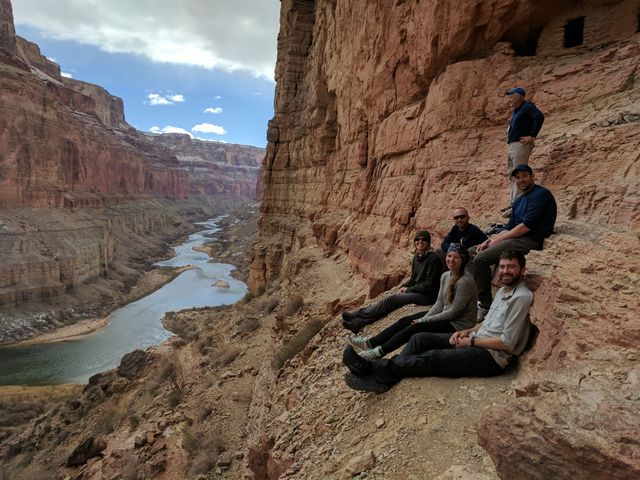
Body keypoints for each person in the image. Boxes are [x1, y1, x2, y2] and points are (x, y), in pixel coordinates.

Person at [342, 251, 532, 393]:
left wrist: (471, 341)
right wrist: (468, 332)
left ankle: (370, 368)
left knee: (433, 357)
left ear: (522, 270)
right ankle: (383, 376)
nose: (505, 271)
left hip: (491, 358)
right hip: (476, 338)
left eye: (511, 267)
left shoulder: (521, 297)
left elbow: (508, 343)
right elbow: (488, 322)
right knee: (420, 339)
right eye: (503, 267)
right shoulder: (501, 291)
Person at [346, 244, 477, 360]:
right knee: (404, 321)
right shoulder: (446, 276)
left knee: (414, 328)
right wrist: (426, 317)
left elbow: (454, 312)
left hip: (457, 325)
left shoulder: (465, 281)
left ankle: (379, 352)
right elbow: (439, 303)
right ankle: (369, 343)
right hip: (445, 317)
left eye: (456, 257)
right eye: (449, 256)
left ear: (463, 260)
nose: (451, 260)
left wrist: (425, 321)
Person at [472, 164, 555, 319]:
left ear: (532, 176)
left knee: (480, 259)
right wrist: (490, 240)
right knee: (472, 252)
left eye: (524, 176)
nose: (521, 180)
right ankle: (476, 296)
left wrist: (499, 239)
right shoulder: (519, 200)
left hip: (530, 240)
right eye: (517, 178)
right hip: (516, 237)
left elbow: (525, 227)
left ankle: (485, 305)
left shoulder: (541, 194)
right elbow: (509, 226)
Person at [342, 230, 444, 334]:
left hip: (428, 296)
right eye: (418, 239)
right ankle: (358, 323)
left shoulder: (433, 258)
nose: (420, 241)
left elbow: (429, 285)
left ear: (428, 242)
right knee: (389, 306)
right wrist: (404, 286)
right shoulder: (416, 257)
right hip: (418, 291)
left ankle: (357, 314)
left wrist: (409, 289)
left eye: (424, 239)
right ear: (414, 242)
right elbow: (414, 278)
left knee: (392, 299)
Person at [505, 87, 545, 205]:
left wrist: (532, 136)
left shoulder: (527, 106)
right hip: (513, 145)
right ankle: (514, 203)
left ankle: (519, 202)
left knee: (519, 174)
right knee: (513, 174)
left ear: (519, 96)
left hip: (521, 145)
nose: (510, 98)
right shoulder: (516, 110)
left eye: (512, 96)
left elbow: (540, 117)